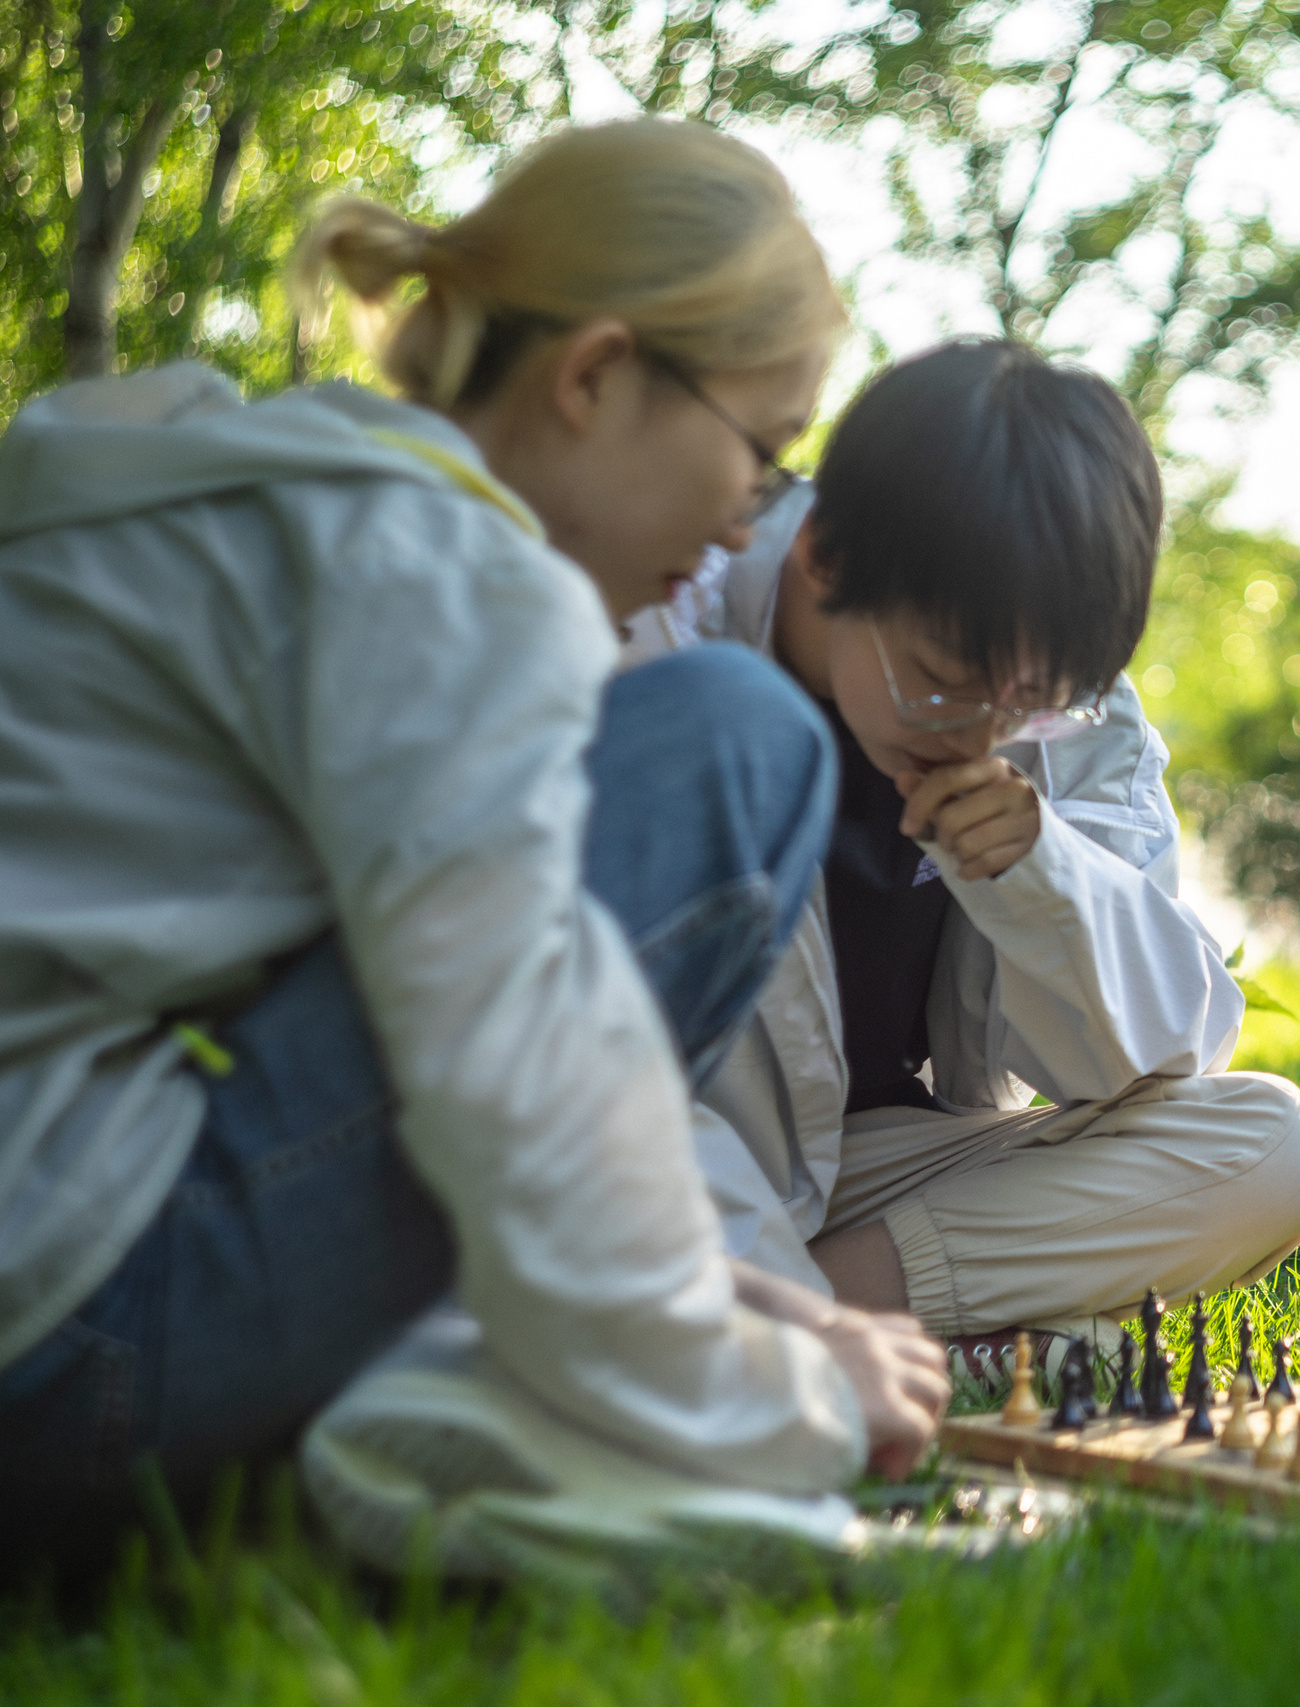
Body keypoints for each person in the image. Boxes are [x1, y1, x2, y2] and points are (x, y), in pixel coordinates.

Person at [0, 120, 947, 1577]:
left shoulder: (267, 486)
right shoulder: (448, 568)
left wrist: (748, 1299)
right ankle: (541, 1420)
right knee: (737, 738)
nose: (743, 521)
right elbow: (520, 1052)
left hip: (49, 1290)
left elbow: (424, 1006)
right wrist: (774, 1393)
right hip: (75, 1342)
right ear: (596, 376)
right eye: (759, 455)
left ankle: (463, 1386)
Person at [621, 339, 1300, 1381]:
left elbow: (1152, 1056)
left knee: (1269, 1148)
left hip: (876, 1172)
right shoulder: (666, 637)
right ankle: (859, 1339)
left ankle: (780, 1328)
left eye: (1028, 703)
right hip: (679, 1164)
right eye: (943, 680)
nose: (981, 734)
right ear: (824, 557)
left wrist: (1039, 875)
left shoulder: (1055, 695)